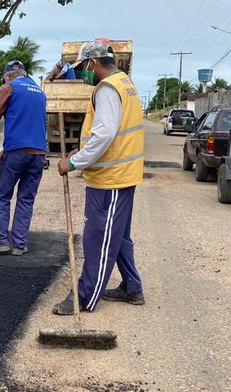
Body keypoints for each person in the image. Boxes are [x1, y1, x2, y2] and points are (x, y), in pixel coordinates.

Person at [52, 39, 145, 315]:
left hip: (110, 178)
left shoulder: (107, 89)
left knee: (98, 237)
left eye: (83, 68)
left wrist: (73, 163)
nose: (82, 74)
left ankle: (84, 295)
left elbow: (103, 135)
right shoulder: (125, 83)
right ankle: (132, 287)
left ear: (93, 63)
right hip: (122, 176)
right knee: (118, 237)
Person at [0, 60, 47, 256]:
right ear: (24, 73)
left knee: (4, 196)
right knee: (26, 199)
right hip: (38, 154)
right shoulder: (39, 93)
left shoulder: (9, 88)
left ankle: (1, 241)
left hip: (17, 154)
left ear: (7, 75)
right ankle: (20, 245)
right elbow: (30, 125)